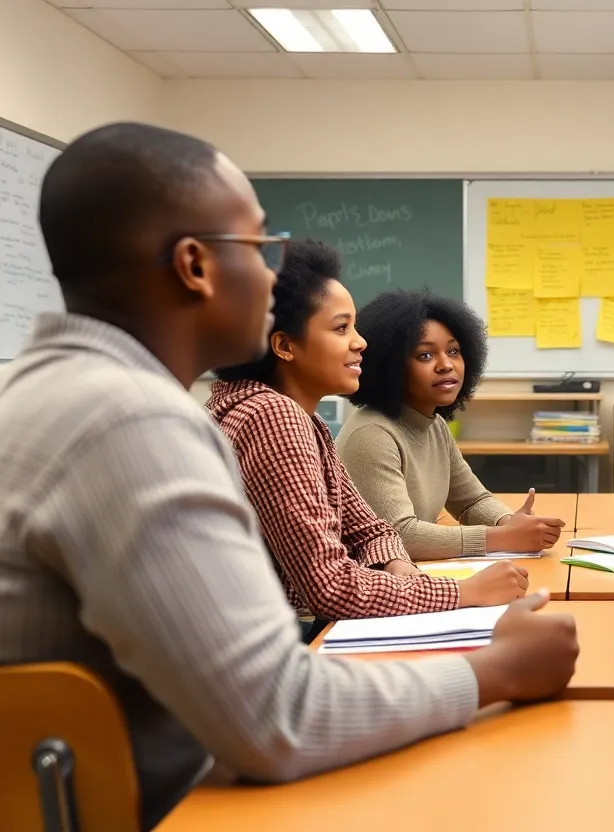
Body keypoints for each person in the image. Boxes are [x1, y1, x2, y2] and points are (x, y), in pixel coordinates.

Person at [0, 122, 578, 830]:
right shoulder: (130, 422)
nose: (275, 277)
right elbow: (278, 717)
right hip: (175, 803)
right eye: (261, 247)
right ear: (195, 265)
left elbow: (361, 537)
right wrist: (496, 669)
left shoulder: (60, 390)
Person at [208, 242, 527, 638]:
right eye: (341, 328)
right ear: (285, 346)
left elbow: (370, 529)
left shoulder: (300, 419)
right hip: (277, 639)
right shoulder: (272, 417)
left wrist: (400, 569)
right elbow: (330, 588)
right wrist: (461, 592)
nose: (361, 342)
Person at [336, 290, 565, 560]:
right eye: (425, 356)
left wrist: (508, 522)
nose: (446, 365)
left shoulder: (434, 424)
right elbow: (398, 535)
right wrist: (503, 538)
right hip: (369, 589)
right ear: (391, 367)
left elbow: (471, 500)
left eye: (454, 351)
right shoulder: (371, 434)